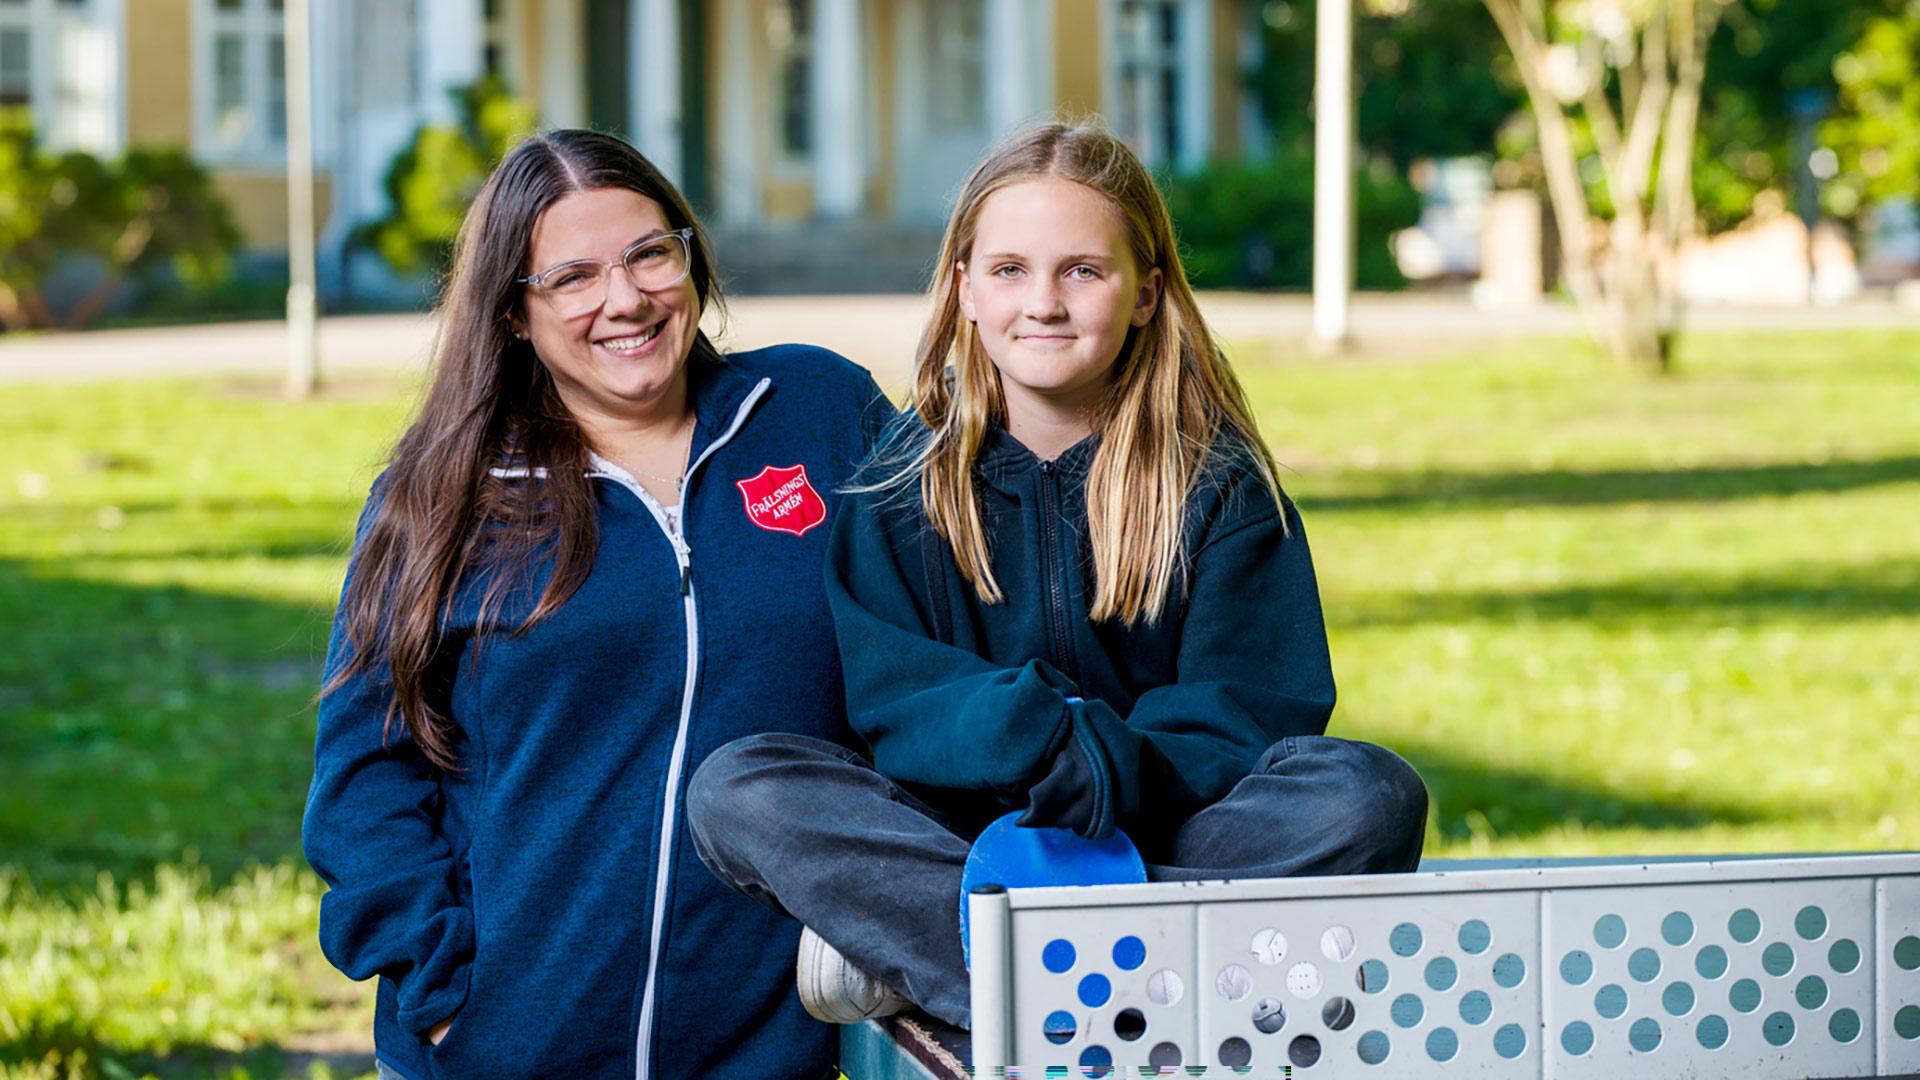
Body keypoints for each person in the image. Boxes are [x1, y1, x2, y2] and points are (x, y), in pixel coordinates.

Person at [685, 122, 1430, 1031]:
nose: (1043, 302)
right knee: (739, 786)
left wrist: (1104, 765)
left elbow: (1248, 709)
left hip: (1168, 827)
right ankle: (1147, 987)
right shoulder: (898, 482)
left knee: (1366, 794)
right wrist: (1036, 736)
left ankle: (997, 977)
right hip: (960, 839)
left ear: (1147, 293)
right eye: (1008, 270)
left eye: (1083, 270)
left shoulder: (1218, 485)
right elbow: (892, 693)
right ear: (963, 288)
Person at [301, 129, 885, 1080]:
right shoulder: (446, 493)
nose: (626, 299)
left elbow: (951, 617)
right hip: (507, 1049)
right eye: (571, 277)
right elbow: (365, 772)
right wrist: (443, 993)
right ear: (514, 315)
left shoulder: (817, 410)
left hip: (766, 1047)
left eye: (650, 253)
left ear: (690, 255)